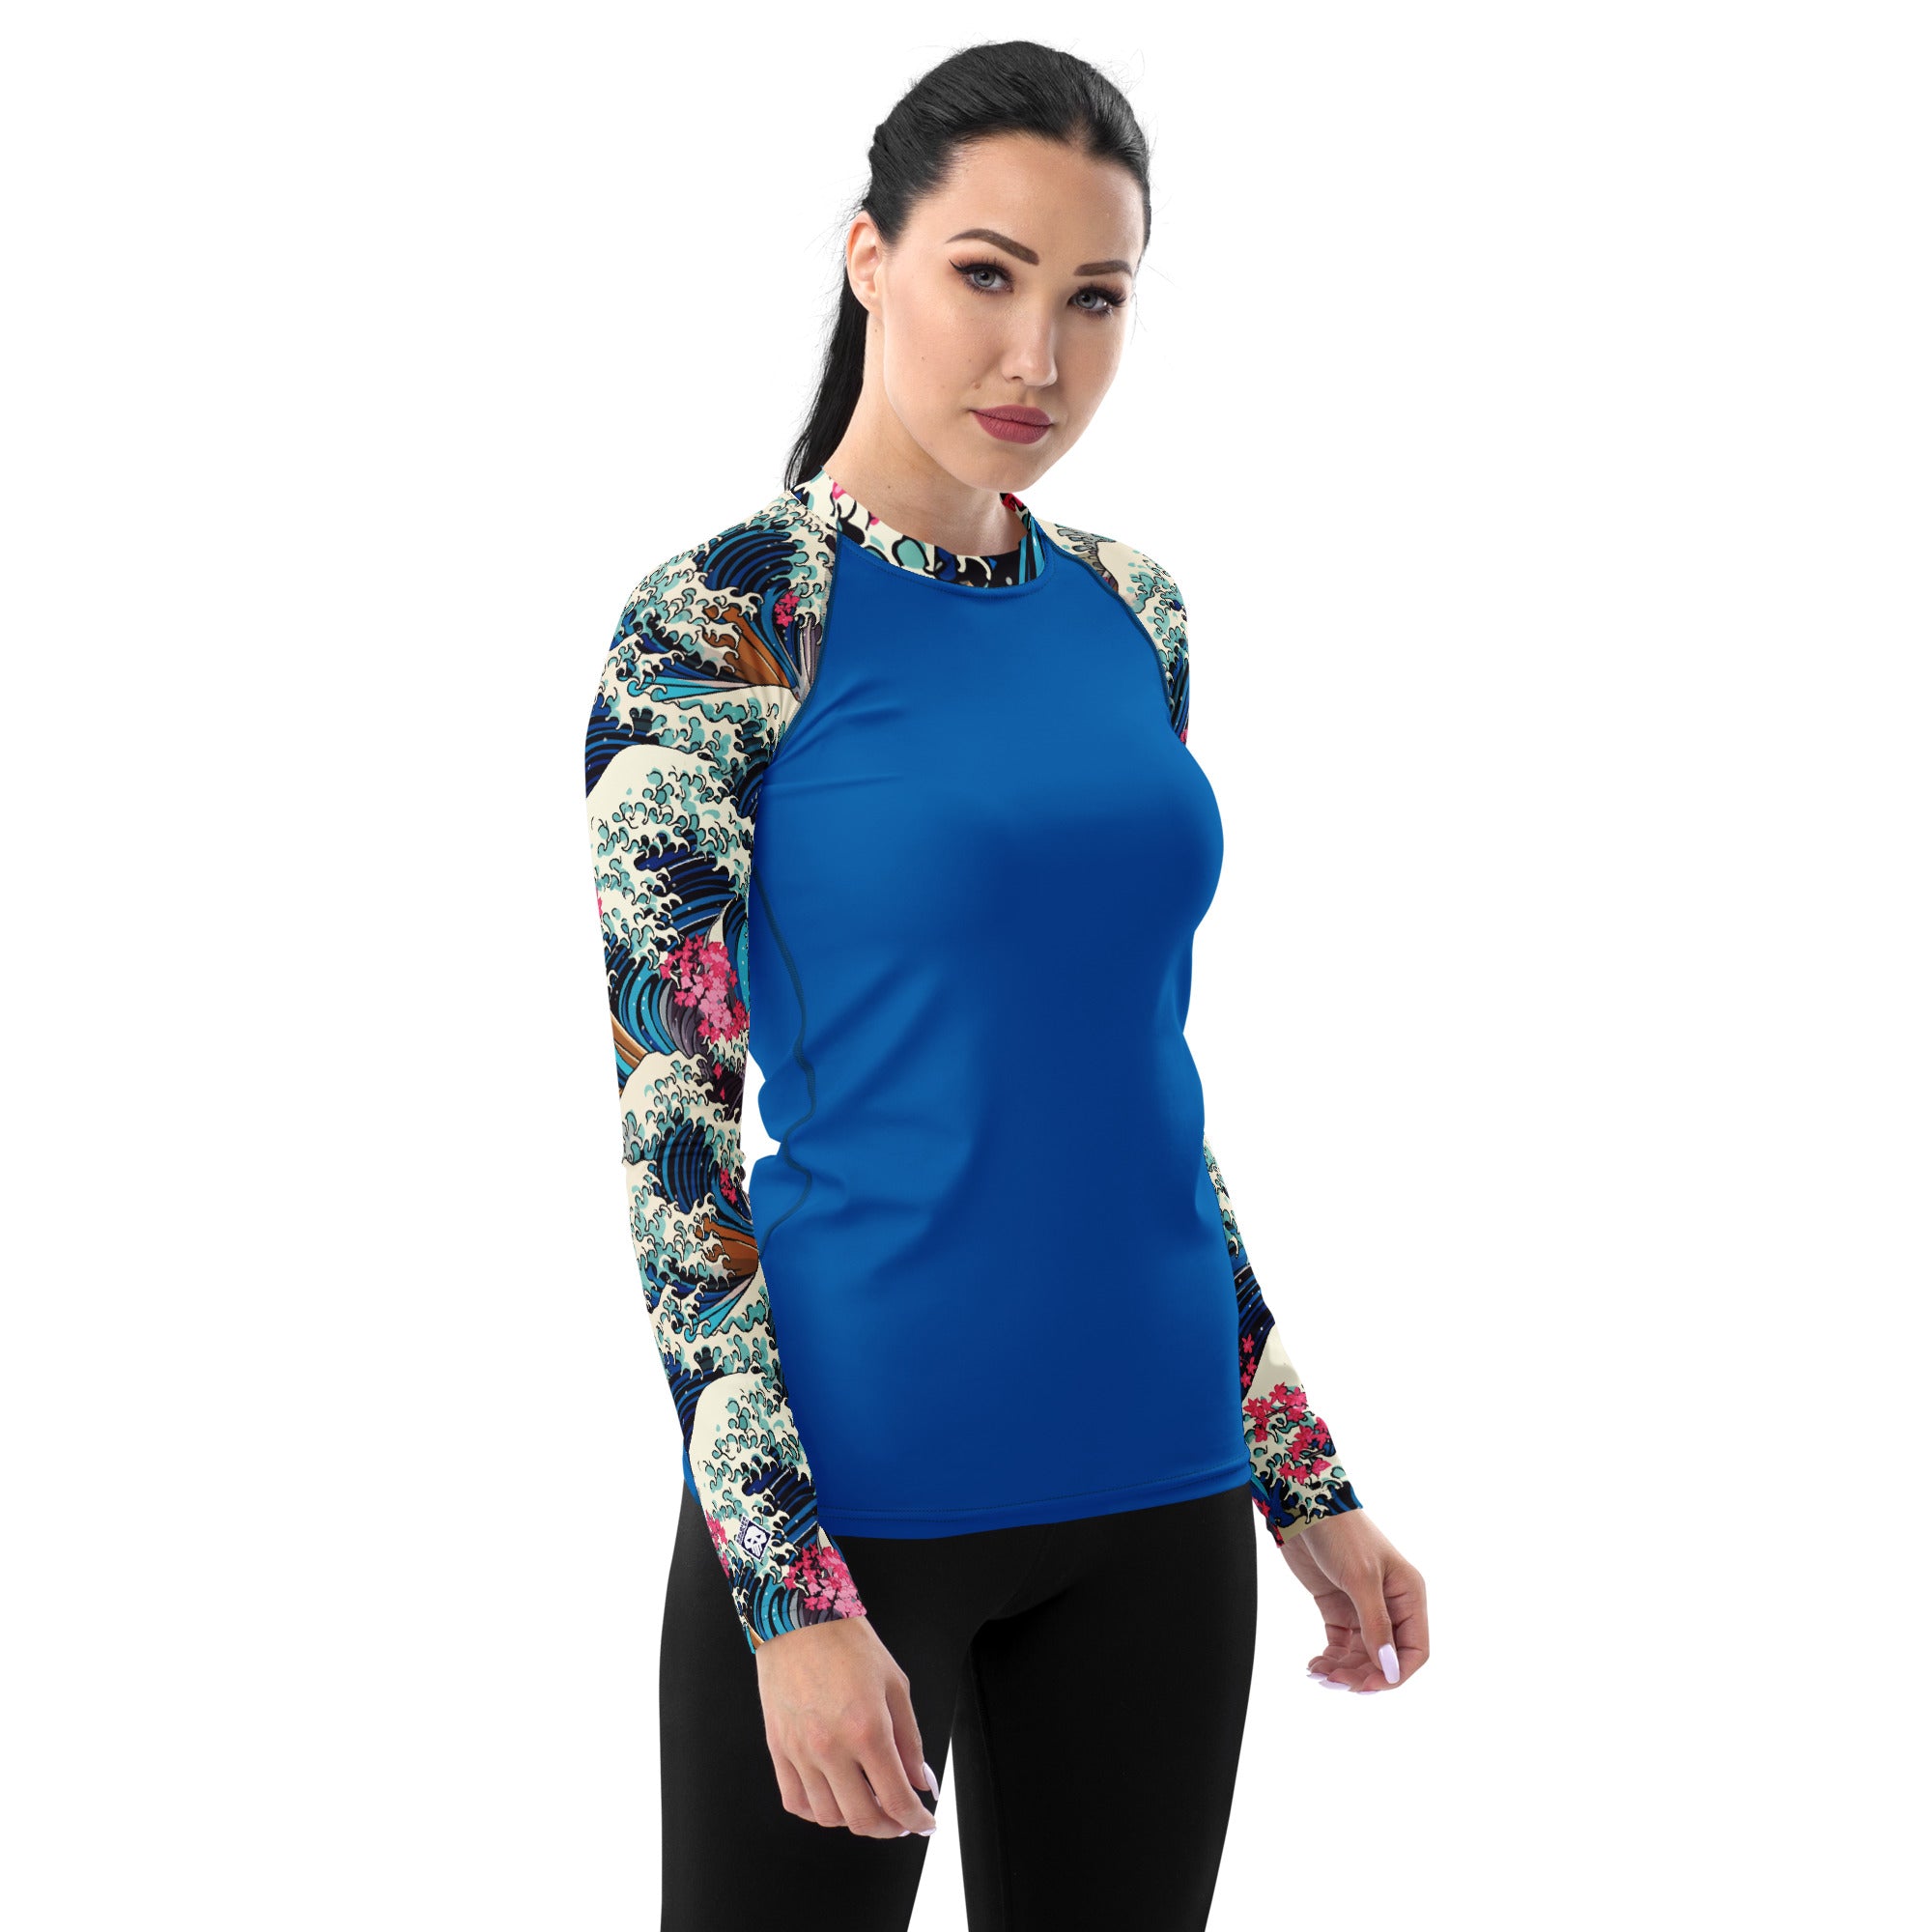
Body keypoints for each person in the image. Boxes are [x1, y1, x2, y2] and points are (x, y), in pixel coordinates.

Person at [582, 39, 1429, 1931]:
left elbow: (1132, 1091)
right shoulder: (724, 622)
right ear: (869, 256)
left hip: (1161, 1493)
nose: (1035, 356)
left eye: (1093, 297)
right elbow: (674, 1144)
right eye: (986, 273)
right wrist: (785, 1596)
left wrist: (1300, 1474)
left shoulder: (1134, 612)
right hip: (861, 1492)